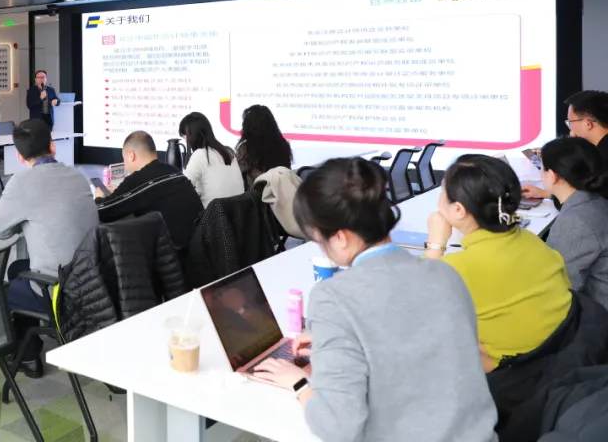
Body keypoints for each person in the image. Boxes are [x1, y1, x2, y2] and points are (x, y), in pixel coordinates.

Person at [252, 158, 497, 442]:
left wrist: (298, 384)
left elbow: (337, 427)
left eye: (318, 239)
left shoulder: (333, 298)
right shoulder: (445, 273)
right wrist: (340, 342)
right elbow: (429, 349)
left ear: (340, 237)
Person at [423, 154, 571, 370]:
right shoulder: (532, 241)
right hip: (562, 353)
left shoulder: (458, 268)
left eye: (442, 193)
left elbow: (414, 306)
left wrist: (436, 242)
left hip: (514, 373)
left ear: (458, 210)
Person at [0, 119, 98, 378]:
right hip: (91, 281)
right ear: (52, 146)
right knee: (18, 268)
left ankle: (28, 357)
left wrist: (21, 222)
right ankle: (31, 345)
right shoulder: (77, 175)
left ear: (19, 156)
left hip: (57, 288)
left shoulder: (22, 181)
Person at [95, 131, 202, 251]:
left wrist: (99, 197)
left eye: (124, 158)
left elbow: (103, 211)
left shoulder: (138, 178)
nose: (125, 164)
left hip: (175, 255)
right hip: (200, 248)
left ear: (131, 155)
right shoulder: (173, 170)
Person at [540, 136, 608, 310]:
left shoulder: (576, 221)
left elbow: (560, 288)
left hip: (595, 316)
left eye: (542, 167)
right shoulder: (594, 202)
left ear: (553, 176)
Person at [523, 90, 608, 200]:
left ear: (587, 124)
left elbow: (588, 200)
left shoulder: (602, 159)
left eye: (570, 122)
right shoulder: (599, 150)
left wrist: (573, 147)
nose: (570, 129)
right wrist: (546, 194)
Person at [179, 112, 243, 207]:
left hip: (213, 214)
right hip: (237, 213)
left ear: (192, 135)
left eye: (185, 137)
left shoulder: (200, 155)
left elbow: (182, 188)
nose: (186, 141)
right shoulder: (228, 152)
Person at [235, 105, 293, 185]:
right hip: (279, 190)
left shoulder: (246, 148)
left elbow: (237, 173)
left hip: (255, 191)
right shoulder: (283, 145)